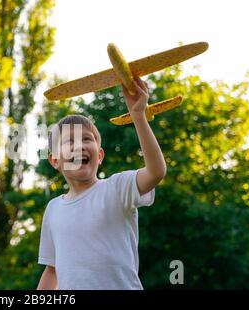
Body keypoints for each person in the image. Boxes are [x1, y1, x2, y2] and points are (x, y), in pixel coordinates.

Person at [37, 76, 167, 290]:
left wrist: (138, 116)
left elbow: (155, 172)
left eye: (87, 139)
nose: (79, 146)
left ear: (99, 155)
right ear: (55, 160)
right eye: (70, 141)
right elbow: (52, 269)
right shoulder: (53, 209)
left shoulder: (117, 188)